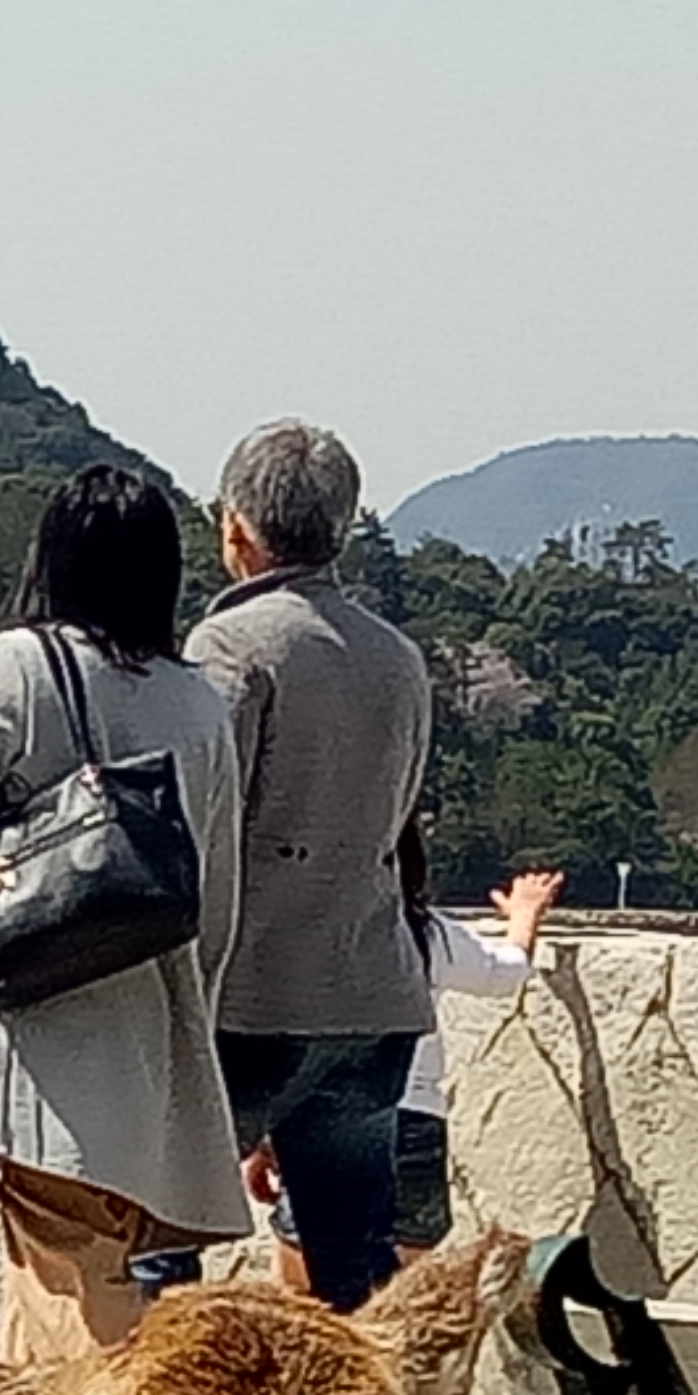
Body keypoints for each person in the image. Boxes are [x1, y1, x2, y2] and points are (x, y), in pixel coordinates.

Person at [0, 463, 248, 1360]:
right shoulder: (198, 699)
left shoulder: (21, 664)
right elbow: (218, 898)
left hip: (43, 1042)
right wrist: (189, 1027)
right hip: (152, 1048)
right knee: (70, 1277)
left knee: (69, 1295)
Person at [184, 421, 436, 1312]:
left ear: (237, 528)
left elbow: (201, 824)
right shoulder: (398, 658)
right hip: (372, 992)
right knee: (356, 1269)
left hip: (254, 995)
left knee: (155, 1245)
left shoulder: (230, 648)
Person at [262, 858, 562, 1289]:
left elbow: (285, 1042)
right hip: (414, 1121)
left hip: (325, 1127)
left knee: (304, 1304)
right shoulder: (426, 932)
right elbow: (504, 972)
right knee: (400, 1303)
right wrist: (525, 916)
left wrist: (266, 1133)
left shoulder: (308, 935)